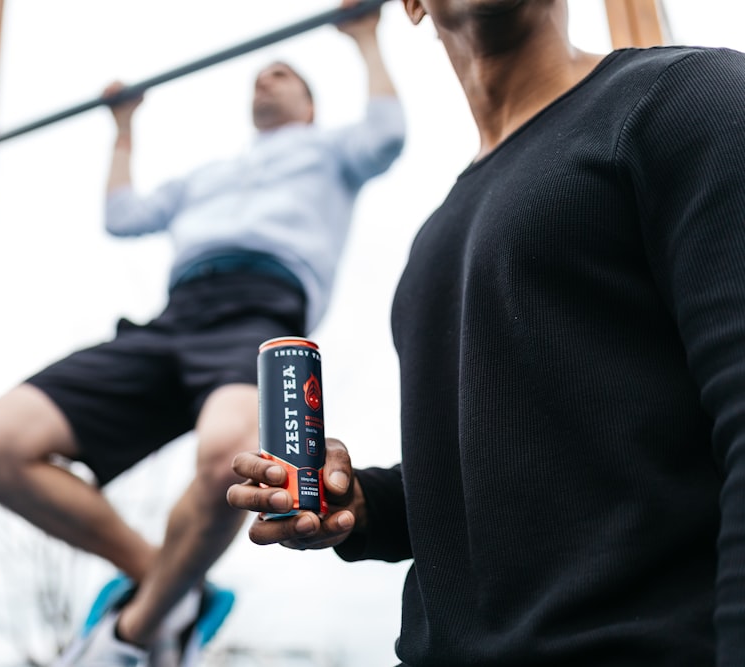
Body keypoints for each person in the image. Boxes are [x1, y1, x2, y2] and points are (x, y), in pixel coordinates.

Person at [228, 1, 745, 666]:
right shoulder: (428, 246)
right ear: (413, 5)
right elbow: (516, 475)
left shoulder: (687, 96)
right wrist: (367, 501)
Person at [0, 1, 405, 664]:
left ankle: (138, 632)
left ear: (309, 105)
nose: (264, 80)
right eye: (259, 76)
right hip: (172, 320)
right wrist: (124, 129)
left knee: (229, 461)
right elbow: (122, 215)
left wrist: (365, 38)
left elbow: (388, 133)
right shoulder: (207, 176)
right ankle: (182, 590)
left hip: (258, 311)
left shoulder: (333, 150)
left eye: (282, 74)